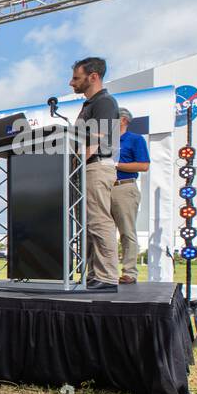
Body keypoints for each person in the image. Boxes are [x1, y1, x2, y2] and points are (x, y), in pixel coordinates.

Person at [69, 56, 121, 290]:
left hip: (97, 166)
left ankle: (107, 276)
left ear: (93, 77)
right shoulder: (89, 105)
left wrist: (74, 165)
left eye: (76, 78)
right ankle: (94, 274)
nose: (71, 83)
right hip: (87, 167)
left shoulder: (104, 102)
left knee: (99, 221)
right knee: (89, 224)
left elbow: (96, 142)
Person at [111, 109, 150, 285]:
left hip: (124, 187)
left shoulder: (135, 139)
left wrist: (116, 165)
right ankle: (106, 272)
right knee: (103, 232)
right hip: (103, 188)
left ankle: (129, 272)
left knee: (126, 231)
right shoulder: (104, 141)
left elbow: (143, 165)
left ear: (123, 120)